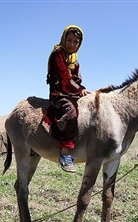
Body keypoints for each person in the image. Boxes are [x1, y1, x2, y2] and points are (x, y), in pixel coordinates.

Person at [43, 25, 88, 173]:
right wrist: (79, 89)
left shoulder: (75, 60)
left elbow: (76, 79)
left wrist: (81, 88)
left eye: (76, 42)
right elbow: (64, 79)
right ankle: (65, 154)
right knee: (71, 112)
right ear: (63, 39)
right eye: (69, 40)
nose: (72, 44)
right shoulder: (58, 53)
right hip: (59, 93)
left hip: (70, 92)